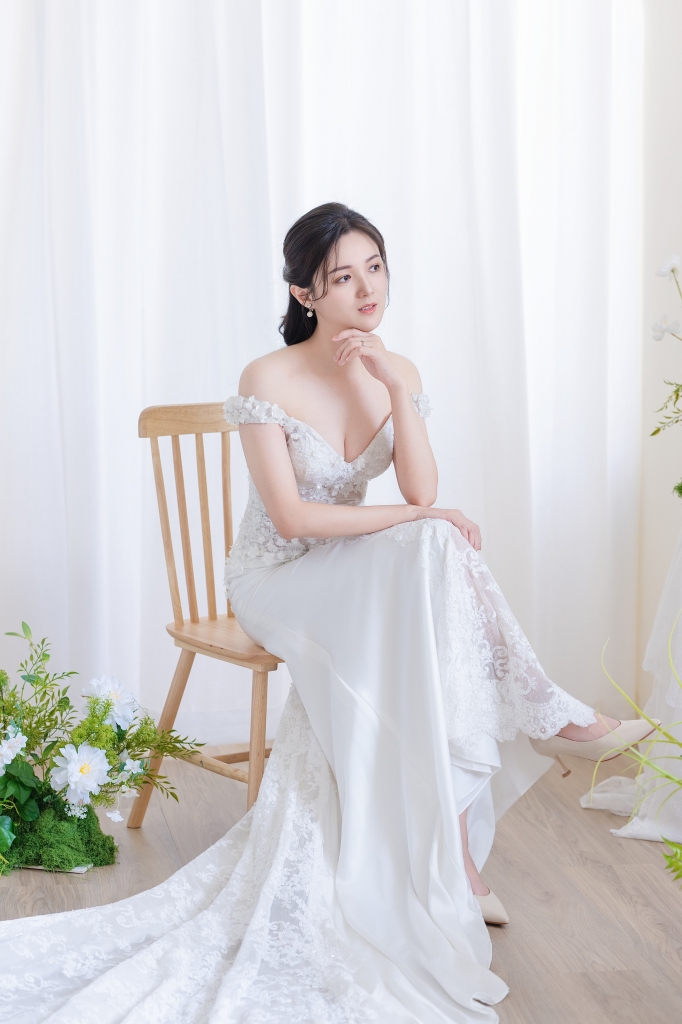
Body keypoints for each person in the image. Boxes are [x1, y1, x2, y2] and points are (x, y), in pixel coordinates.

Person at [0, 204, 655, 1024]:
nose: (367, 288)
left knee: (434, 561)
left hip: (352, 571)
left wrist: (395, 387)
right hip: (277, 577)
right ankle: (542, 731)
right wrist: (421, 518)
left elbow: (421, 488)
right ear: (305, 293)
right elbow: (295, 519)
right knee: (431, 545)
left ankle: (463, 845)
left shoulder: (393, 366)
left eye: (375, 267)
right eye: (344, 276)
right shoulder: (267, 378)